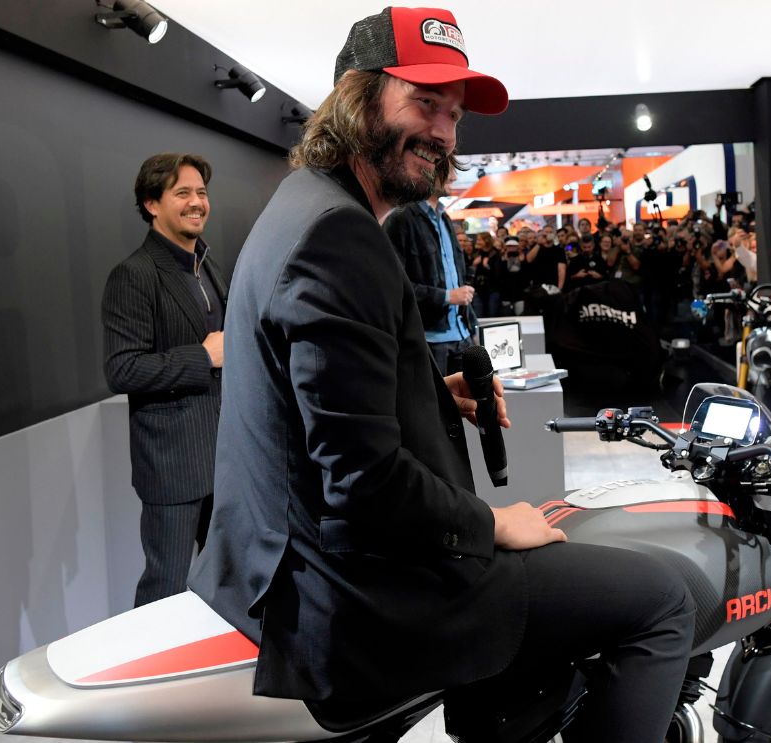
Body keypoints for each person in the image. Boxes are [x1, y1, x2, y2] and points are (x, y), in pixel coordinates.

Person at [188, 9, 695, 742]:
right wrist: (490, 522)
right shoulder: (338, 236)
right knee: (662, 597)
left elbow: (322, 382)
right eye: (424, 103)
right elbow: (362, 478)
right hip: (357, 592)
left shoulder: (306, 208)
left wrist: (428, 388)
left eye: (454, 115)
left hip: (301, 565)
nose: (444, 134)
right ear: (357, 101)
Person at [102, 153, 227, 607]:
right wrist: (204, 356)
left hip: (222, 456)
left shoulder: (207, 264)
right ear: (152, 203)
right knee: (165, 593)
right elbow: (122, 369)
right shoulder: (133, 275)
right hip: (173, 465)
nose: (197, 203)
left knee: (224, 585)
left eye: (202, 193)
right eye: (183, 193)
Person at [384, 170, 475, 374]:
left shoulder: (445, 219)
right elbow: (394, 285)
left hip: (461, 335)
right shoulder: (401, 219)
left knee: (467, 405)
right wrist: (446, 296)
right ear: (430, 170)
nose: (453, 177)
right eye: (449, 170)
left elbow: (459, 270)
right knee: (435, 406)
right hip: (428, 341)